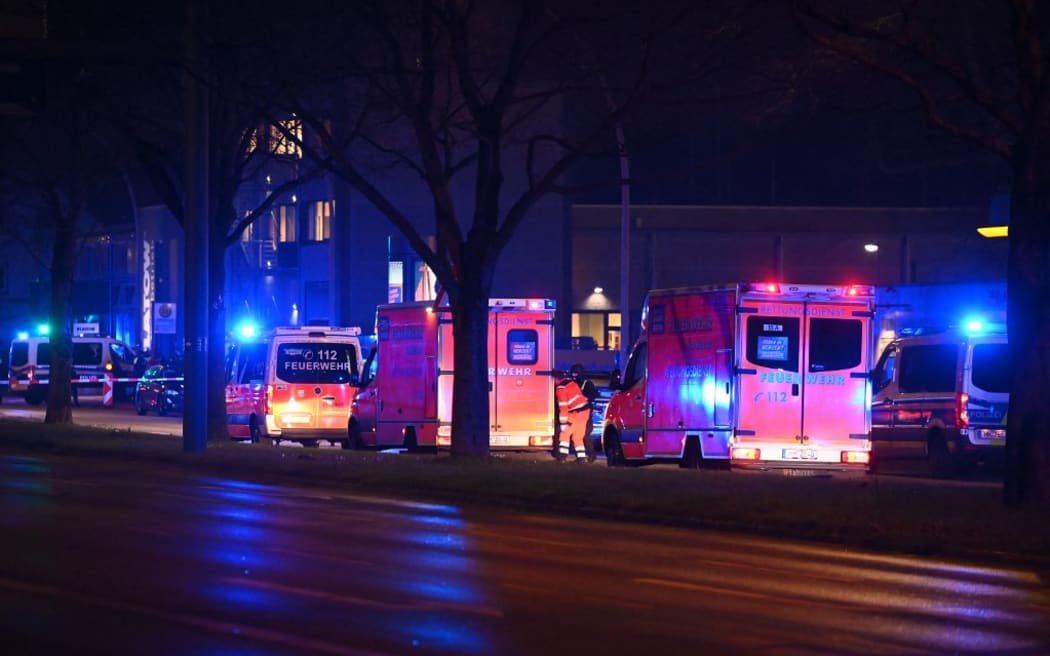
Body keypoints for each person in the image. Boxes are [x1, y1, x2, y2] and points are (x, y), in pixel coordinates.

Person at [555, 366, 594, 463]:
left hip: (576, 413)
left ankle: (562, 457)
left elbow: (563, 407)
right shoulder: (571, 383)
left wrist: (563, 423)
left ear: (556, 379)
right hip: (585, 412)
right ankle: (581, 458)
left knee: (564, 434)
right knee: (578, 436)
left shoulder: (561, 388)